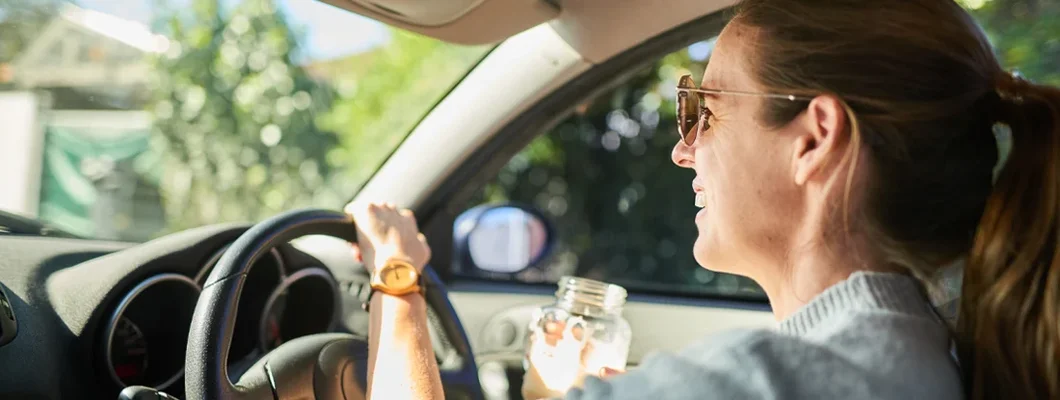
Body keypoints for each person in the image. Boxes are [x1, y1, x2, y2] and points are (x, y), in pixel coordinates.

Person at [346, 0, 1060, 398]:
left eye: (704, 110)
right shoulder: (918, 356)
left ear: (815, 138)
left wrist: (397, 281)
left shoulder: (767, 384)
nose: (684, 148)